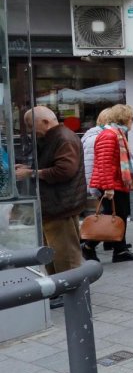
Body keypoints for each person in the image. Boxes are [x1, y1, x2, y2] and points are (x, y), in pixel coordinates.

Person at [15, 107, 87, 297]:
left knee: (65, 254)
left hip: (61, 205)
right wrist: (29, 168)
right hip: (55, 204)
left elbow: (64, 171)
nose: (31, 130)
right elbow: (52, 165)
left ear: (45, 122)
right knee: (55, 252)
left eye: (31, 125)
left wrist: (30, 172)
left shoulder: (64, 138)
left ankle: (70, 291)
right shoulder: (56, 137)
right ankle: (59, 289)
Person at [88, 103, 133, 263]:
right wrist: (108, 187)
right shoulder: (110, 135)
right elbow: (104, 164)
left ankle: (120, 250)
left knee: (120, 216)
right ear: (124, 118)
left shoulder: (117, 134)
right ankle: (88, 246)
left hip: (119, 183)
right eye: (132, 118)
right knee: (110, 218)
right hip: (112, 184)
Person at [81, 107, 113, 262]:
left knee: (107, 215)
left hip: (101, 181)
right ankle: (88, 245)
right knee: (105, 217)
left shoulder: (97, 135)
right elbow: (95, 164)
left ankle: (107, 241)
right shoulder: (98, 137)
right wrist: (98, 188)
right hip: (102, 183)